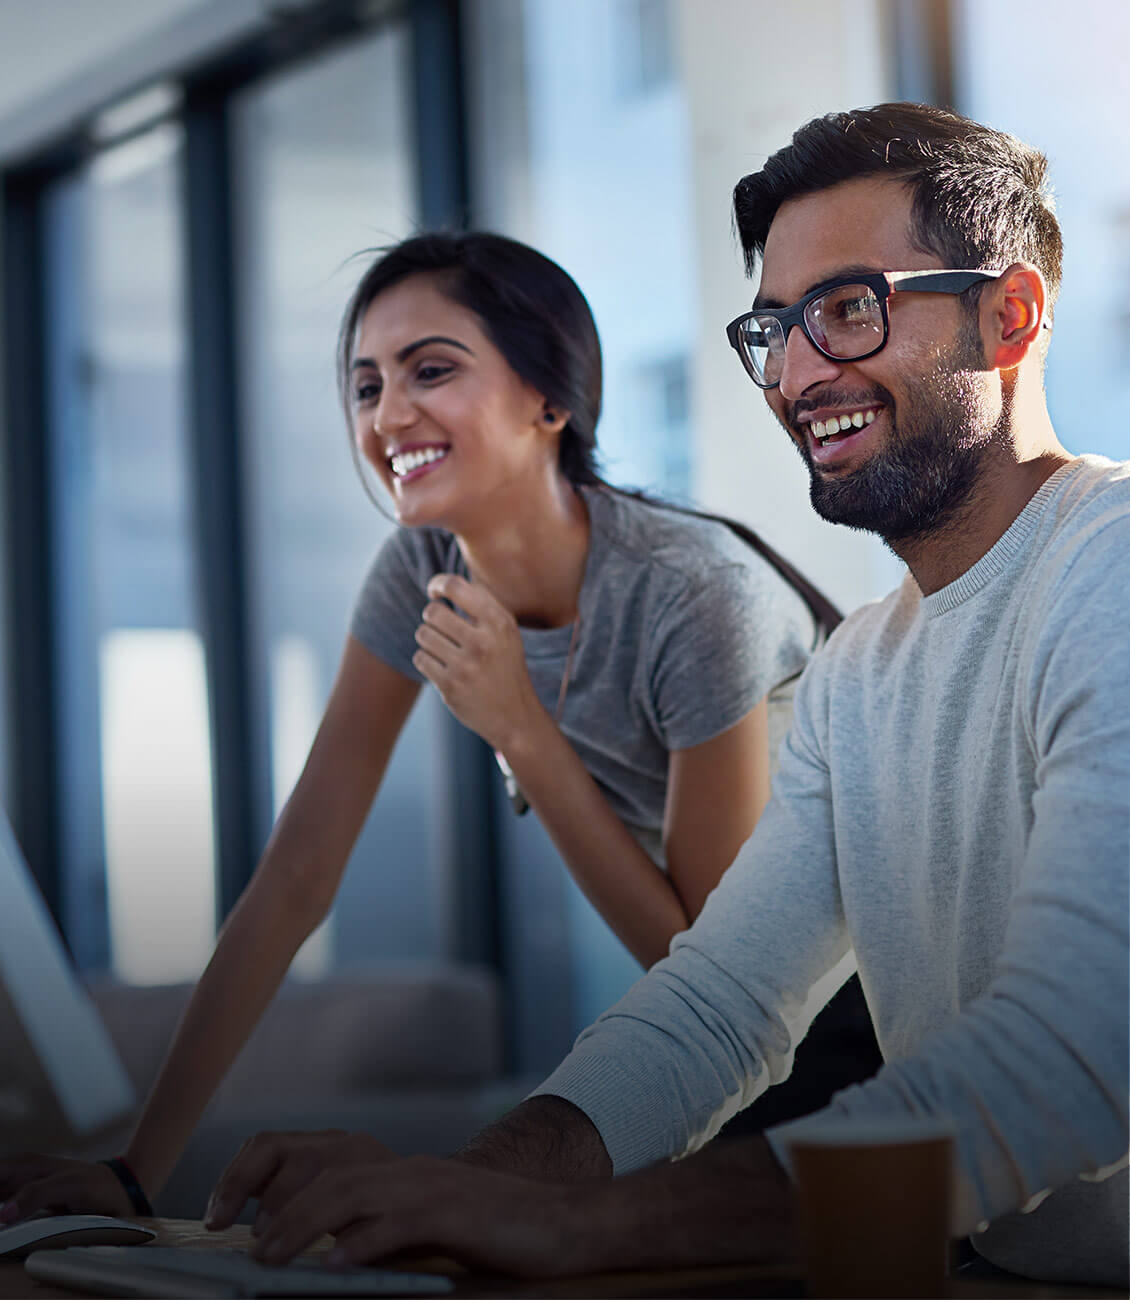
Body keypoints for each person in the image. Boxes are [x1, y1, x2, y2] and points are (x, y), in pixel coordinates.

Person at [192, 104, 1127, 1287]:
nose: (795, 374)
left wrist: (585, 1226)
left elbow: (1074, 1054)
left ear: (1008, 316)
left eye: (848, 310)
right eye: (772, 329)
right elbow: (717, 1004)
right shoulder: (857, 672)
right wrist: (472, 1182)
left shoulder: (1110, 566)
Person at [0, 232, 853, 1219]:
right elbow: (295, 878)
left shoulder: (694, 596)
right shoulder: (418, 569)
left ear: (550, 400)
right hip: (734, 1025)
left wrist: (520, 730)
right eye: (366, 385)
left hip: (857, 1010)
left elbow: (704, 966)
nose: (388, 414)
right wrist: (132, 1173)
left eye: (430, 370)